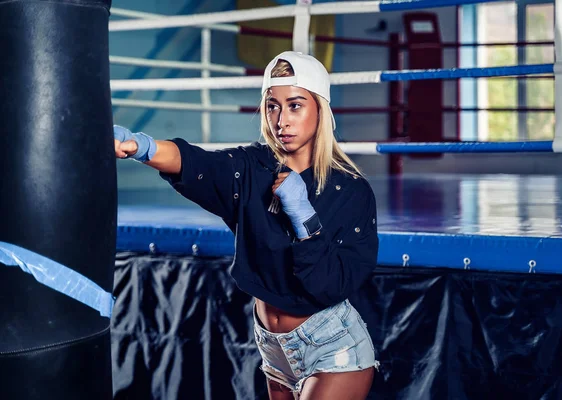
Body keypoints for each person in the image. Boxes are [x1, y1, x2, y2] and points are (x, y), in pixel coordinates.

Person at [114, 51, 379, 400]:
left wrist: (305, 220)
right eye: (272, 106)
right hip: (274, 348)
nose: (281, 119)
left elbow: (332, 286)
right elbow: (198, 164)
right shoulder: (252, 168)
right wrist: (140, 146)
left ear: (320, 109)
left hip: (332, 346)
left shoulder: (351, 191)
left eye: (295, 105)